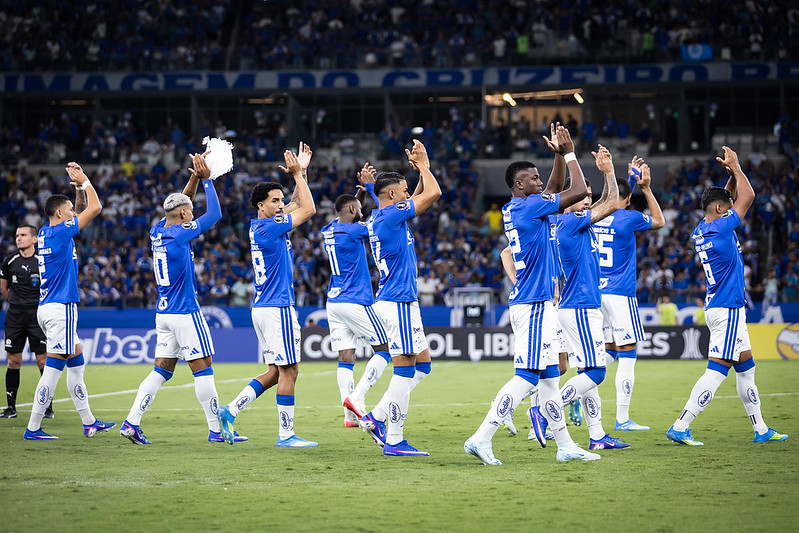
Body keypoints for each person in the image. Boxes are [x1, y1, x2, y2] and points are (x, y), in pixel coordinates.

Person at [464, 124, 600, 465]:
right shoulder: (530, 208)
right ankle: (481, 436)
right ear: (518, 185)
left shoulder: (519, 207)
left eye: (540, 178)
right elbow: (577, 188)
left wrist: (555, 155)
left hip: (531, 302)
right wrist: (569, 152)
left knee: (551, 380)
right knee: (526, 378)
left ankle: (565, 445)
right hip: (535, 304)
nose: (540, 183)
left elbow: (554, 187)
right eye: (533, 179)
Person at [667, 146, 788, 446]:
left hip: (719, 306)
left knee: (746, 368)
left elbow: (730, 198)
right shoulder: (722, 227)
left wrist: (728, 180)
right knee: (717, 370)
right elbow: (748, 198)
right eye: (727, 205)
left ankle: (760, 429)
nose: (731, 207)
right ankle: (681, 425)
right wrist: (737, 167)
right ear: (721, 210)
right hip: (729, 307)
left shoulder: (703, 228)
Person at [119, 152, 233, 445]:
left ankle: (132, 422)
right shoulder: (181, 234)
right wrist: (207, 181)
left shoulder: (158, 231)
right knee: (203, 368)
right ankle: (216, 431)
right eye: (190, 211)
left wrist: (194, 176)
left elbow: (180, 203)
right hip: (185, 312)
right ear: (183, 215)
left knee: (161, 370)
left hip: (164, 313)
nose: (193, 213)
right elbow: (215, 216)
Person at [216, 143, 318, 447]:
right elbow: (309, 209)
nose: (281, 204)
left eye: (281, 200)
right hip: (277, 308)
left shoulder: (262, 225)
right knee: (290, 370)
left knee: (275, 372)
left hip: (263, 307)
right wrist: (299, 174)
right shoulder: (271, 227)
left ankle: (230, 410)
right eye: (275, 201)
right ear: (261, 205)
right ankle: (286, 435)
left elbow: (299, 202)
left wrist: (303, 173)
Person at [358, 139, 441, 457]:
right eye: (404, 191)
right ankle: (394, 439)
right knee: (405, 369)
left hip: (396, 300)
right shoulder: (391, 216)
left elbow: (419, 195)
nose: (409, 194)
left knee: (422, 366)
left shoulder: (381, 217)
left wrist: (370, 187)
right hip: (399, 302)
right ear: (391, 196)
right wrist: (424, 166)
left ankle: (376, 416)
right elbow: (432, 194)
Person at [23, 162, 114, 440]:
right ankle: (33, 427)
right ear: (60, 214)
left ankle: (89, 422)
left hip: (49, 307)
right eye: (70, 211)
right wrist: (85, 180)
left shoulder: (46, 233)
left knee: (77, 360)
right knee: (52, 370)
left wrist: (75, 189)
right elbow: (95, 209)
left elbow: (80, 210)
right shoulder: (62, 232)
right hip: (62, 308)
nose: (74, 213)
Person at [556, 145, 630, 451]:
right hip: (581, 307)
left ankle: (597, 435)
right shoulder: (572, 223)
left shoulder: (568, 222)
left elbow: (603, 202)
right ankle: (548, 408)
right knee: (597, 372)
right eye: (581, 198)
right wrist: (609, 172)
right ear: (568, 202)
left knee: (587, 371)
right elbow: (612, 202)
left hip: (575, 306)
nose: (587, 202)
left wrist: (601, 179)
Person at [593, 157, 665, 431]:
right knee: (628, 352)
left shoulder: (594, 216)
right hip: (620, 294)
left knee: (607, 352)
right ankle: (622, 419)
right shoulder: (630, 217)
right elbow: (659, 220)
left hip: (595, 296)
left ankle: (564, 398)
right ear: (628, 199)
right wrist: (645, 188)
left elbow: (614, 197)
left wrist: (631, 180)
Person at [318, 162, 392, 428]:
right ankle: (357, 399)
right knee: (385, 349)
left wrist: (358, 196)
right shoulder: (357, 230)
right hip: (356, 300)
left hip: (333, 302)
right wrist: (373, 191)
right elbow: (380, 220)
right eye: (359, 210)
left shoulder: (328, 230)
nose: (362, 213)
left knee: (345, 357)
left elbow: (351, 213)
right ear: (352, 211)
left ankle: (349, 415)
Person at [1, 225, 53, 419]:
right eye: (17, 236)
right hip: (15, 317)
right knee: (13, 362)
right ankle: (11, 408)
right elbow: (4, 289)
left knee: (43, 361)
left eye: (23, 235)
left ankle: (47, 406)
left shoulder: (42, 262)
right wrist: (17, 304)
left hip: (37, 317)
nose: (18, 238)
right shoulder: (9, 261)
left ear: (34, 239)